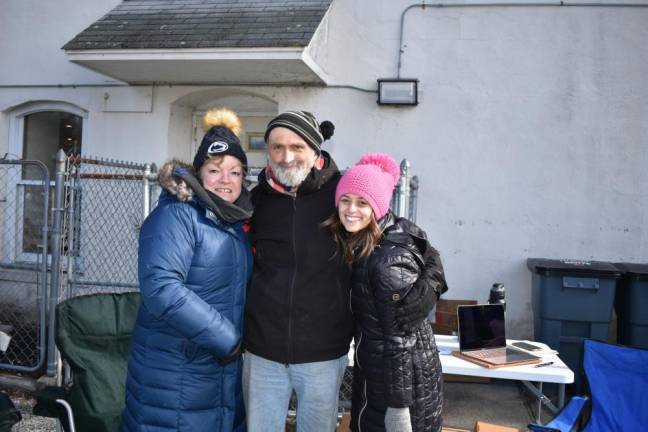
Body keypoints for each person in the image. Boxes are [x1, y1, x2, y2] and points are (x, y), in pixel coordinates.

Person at [242, 112, 439, 431]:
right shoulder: (255, 200)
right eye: (277, 147)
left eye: (297, 146)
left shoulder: (342, 194)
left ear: (315, 149)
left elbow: (409, 240)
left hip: (323, 352)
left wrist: (428, 287)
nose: (287, 156)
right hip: (262, 351)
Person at [121, 108, 253, 432]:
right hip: (175, 374)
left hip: (216, 374)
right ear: (198, 173)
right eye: (216, 170)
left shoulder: (230, 223)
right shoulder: (178, 215)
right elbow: (161, 288)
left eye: (235, 172)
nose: (226, 180)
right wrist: (227, 340)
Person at [326, 153, 448, 432]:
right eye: (345, 200)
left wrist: (399, 408)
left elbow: (398, 342)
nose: (351, 209)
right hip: (385, 375)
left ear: (378, 207)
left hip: (394, 385)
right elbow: (430, 253)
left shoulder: (383, 262)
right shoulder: (388, 232)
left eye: (362, 202)